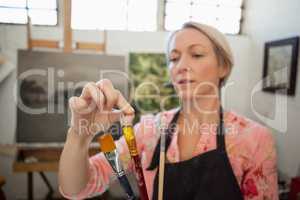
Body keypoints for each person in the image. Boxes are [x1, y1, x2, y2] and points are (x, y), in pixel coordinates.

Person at [58, 21, 278, 200]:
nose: (181, 65)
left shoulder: (253, 139)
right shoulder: (150, 130)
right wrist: (80, 133)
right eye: (173, 58)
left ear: (224, 66)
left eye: (197, 54)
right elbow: (78, 188)